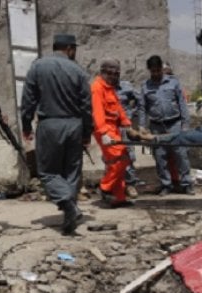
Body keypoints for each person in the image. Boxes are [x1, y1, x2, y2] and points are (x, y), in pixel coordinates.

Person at [21, 33, 92, 235]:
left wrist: (26, 124)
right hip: (74, 125)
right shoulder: (77, 70)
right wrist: (87, 131)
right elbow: (87, 106)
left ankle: (68, 206)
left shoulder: (38, 66)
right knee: (71, 172)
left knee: (48, 172)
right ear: (69, 48)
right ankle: (71, 209)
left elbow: (28, 99)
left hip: (49, 125)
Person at [138, 55, 193, 196]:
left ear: (162, 69)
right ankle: (166, 185)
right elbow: (142, 109)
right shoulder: (145, 87)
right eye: (153, 71)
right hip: (157, 127)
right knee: (160, 156)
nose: (156, 74)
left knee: (181, 155)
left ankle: (186, 184)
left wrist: (185, 125)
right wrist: (142, 127)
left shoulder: (173, 83)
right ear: (149, 71)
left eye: (158, 70)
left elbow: (182, 104)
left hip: (175, 124)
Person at [92, 58, 136, 207]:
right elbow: (97, 113)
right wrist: (104, 133)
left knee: (124, 159)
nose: (115, 77)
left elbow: (118, 109)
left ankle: (119, 197)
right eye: (112, 73)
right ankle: (105, 187)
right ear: (104, 72)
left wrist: (128, 125)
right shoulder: (97, 88)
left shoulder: (110, 87)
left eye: (117, 74)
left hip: (114, 128)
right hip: (104, 129)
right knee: (118, 160)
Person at [116, 79, 141, 198]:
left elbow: (139, 99)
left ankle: (130, 184)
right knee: (111, 157)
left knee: (128, 154)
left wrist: (131, 112)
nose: (113, 75)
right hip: (110, 126)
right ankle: (115, 186)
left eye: (116, 72)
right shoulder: (103, 88)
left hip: (125, 126)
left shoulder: (126, 86)